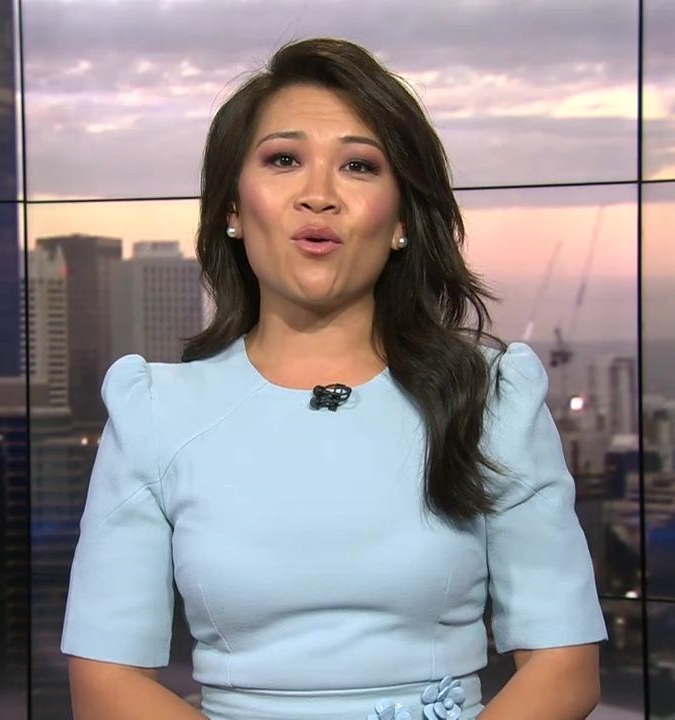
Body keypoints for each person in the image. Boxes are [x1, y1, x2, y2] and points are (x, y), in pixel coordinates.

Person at [61, 37, 608, 720]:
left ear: (402, 218)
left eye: (358, 166)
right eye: (283, 160)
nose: (318, 196)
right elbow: (105, 683)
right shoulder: (155, 411)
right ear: (233, 209)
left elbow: (564, 668)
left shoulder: (490, 397)